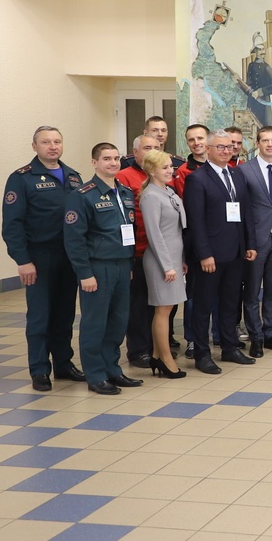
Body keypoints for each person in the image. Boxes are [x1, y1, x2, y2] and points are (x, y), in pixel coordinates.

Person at [2, 126, 84, 392]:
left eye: (57, 141)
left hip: (68, 255)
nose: (53, 146)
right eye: (46, 142)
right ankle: (39, 369)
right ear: (34, 146)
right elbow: (12, 224)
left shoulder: (73, 176)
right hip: (39, 256)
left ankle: (63, 364)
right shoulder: (22, 178)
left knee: (64, 314)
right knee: (40, 316)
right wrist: (22, 260)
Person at [63, 143, 142, 395]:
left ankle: (112, 369)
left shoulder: (125, 192)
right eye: (106, 159)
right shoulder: (82, 195)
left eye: (116, 158)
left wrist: (129, 264)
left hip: (122, 264)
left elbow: (129, 231)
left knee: (118, 321)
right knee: (95, 323)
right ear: (94, 163)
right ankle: (95, 374)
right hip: (97, 267)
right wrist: (84, 273)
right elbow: (74, 239)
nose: (113, 163)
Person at [183, 130, 253, 373]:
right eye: (220, 147)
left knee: (230, 303)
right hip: (210, 255)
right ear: (208, 149)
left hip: (235, 252)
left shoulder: (236, 174)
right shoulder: (197, 179)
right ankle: (202, 354)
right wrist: (204, 254)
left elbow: (245, 212)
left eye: (229, 147)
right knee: (203, 307)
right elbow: (195, 221)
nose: (226, 151)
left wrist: (249, 244)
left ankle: (229, 347)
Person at [235, 126, 272, 358]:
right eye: (265, 140)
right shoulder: (244, 170)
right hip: (255, 241)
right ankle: (256, 337)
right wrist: (247, 242)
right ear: (257, 143)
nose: (270, 144)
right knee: (251, 292)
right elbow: (242, 209)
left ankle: (271, 333)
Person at [137, 149, 187, 379]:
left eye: (171, 167)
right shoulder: (150, 196)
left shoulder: (168, 191)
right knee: (163, 309)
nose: (170, 171)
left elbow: (176, 230)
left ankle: (157, 355)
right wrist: (167, 265)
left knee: (168, 307)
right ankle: (166, 359)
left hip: (174, 258)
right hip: (160, 260)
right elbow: (154, 234)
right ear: (151, 170)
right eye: (164, 167)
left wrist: (181, 260)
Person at [117, 134, 162, 369]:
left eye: (156, 147)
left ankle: (157, 347)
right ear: (135, 152)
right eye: (147, 147)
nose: (152, 151)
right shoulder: (124, 177)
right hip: (138, 251)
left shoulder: (161, 174)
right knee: (138, 304)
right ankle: (138, 351)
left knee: (158, 303)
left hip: (159, 251)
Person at [172, 123, 209, 197]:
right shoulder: (183, 171)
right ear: (187, 143)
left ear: (209, 140)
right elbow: (186, 199)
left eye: (200, 138)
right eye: (191, 140)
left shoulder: (222, 165)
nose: (196, 143)